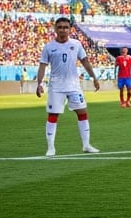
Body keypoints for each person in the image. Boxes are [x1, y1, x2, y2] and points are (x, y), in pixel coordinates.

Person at [34, 16, 101, 157]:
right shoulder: (49, 47)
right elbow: (42, 66)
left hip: (74, 86)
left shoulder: (76, 44)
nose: (63, 30)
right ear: (55, 29)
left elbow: (85, 61)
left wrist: (94, 77)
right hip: (56, 87)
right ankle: (51, 148)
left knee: (82, 112)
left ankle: (86, 145)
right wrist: (39, 83)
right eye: (60, 27)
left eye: (65, 27)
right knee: (53, 115)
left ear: (70, 29)